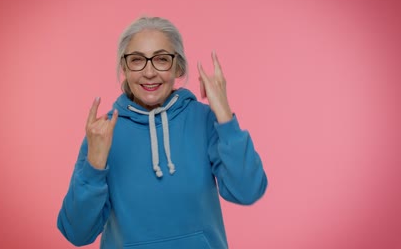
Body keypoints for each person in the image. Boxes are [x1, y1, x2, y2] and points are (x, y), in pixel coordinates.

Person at [57, 16, 268, 249]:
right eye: (137, 60)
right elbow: (77, 233)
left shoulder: (205, 119)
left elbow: (248, 190)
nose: (149, 72)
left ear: (178, 66)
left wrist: (225, 116)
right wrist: (94, 167)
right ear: (124, 68)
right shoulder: (103, 133)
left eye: (161, 59)